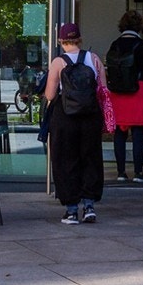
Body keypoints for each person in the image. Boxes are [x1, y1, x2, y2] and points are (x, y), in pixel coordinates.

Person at [43, 22, 105, 224]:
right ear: (79, 39)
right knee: (90, 158)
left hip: (65, 117)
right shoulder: (94, 59)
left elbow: (51, 94)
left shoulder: (58, 63)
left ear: (61, 41)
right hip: (90, 116)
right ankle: (89, 206)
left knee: (66, 160)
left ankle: (71, 210)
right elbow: (103, 90)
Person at [106, 10, 143, 183]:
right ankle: (138, 172)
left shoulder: (114, 44)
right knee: (138, 133)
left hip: (117, 93)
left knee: (119, 133)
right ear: (139, 26)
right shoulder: (142, 45)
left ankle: (121, 173)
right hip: (139, 91)